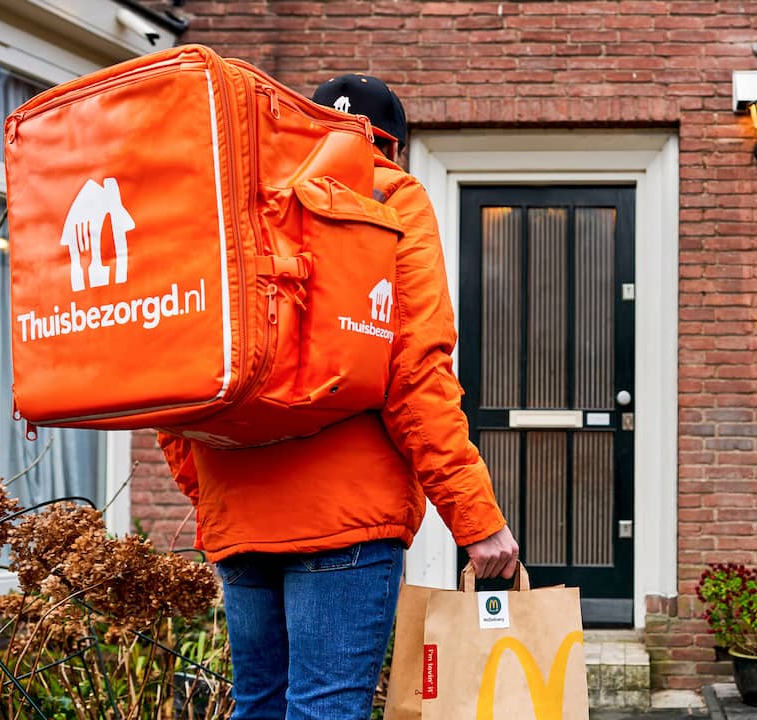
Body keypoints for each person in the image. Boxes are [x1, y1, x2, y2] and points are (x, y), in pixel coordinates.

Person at [157, 73, 518, 720]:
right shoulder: (392, 198)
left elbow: (178, 377)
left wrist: (213, 496)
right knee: (325, 711)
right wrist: (477, 521)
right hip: (347, 523)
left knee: (258, 707)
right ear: (394, 148)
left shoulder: (243, 206)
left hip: (241, 524)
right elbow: (415, 374)